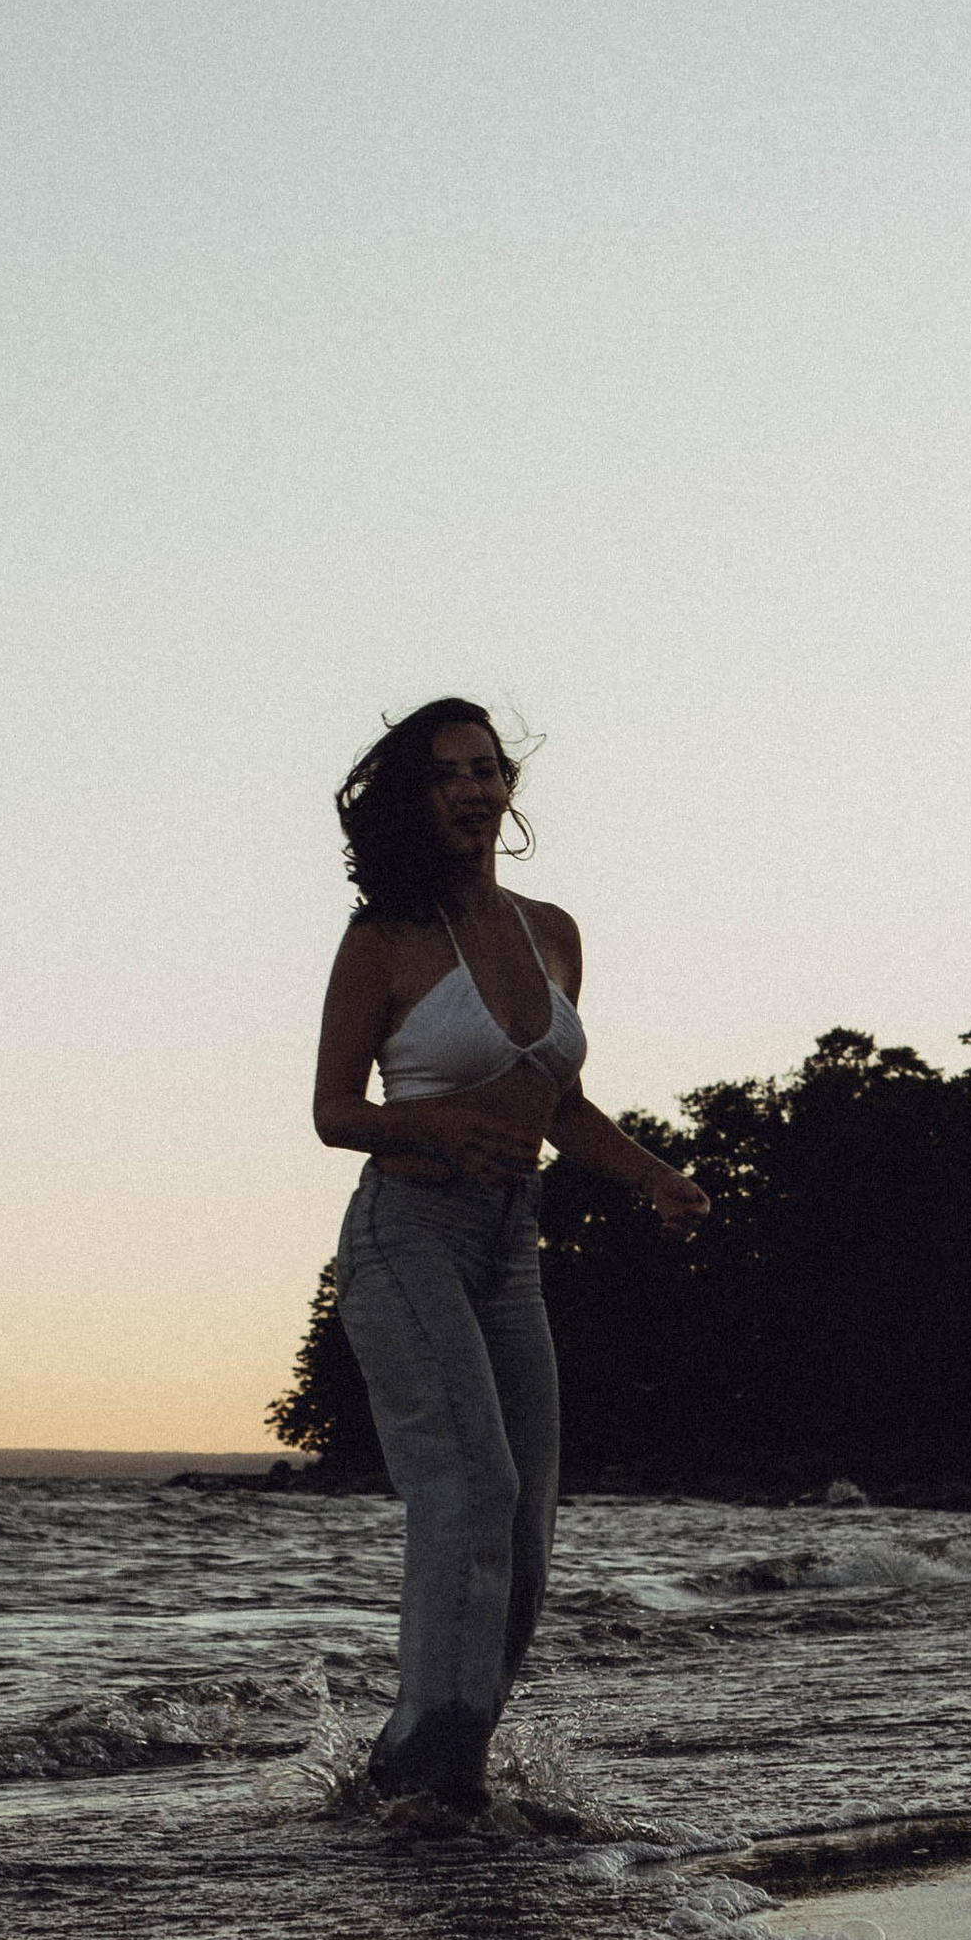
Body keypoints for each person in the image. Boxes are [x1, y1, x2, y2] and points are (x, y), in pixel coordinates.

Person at [311, 698, 709, 1814]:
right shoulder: (382, 938)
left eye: (488, 769)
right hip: (406, 1238)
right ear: (413, 797)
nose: (475, 790)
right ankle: (429, 1776)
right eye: (448, 775)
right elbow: (334, 1111)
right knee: (469, 1489)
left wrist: (654, 1176)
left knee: (526, 1537)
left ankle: (427, 1771)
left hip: (509, 1251)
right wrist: (433, 1123)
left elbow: (557, 1104)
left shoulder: (552, 931)